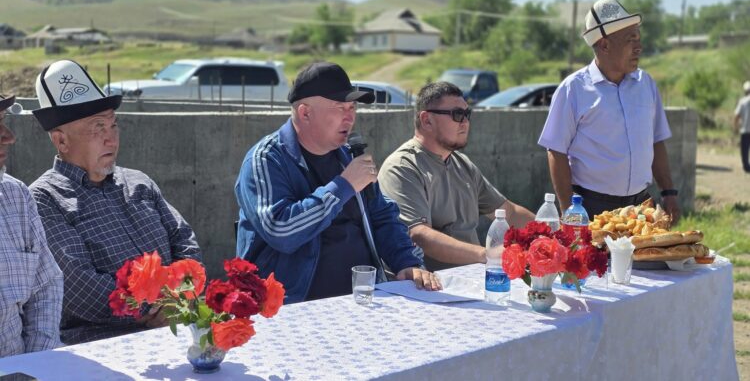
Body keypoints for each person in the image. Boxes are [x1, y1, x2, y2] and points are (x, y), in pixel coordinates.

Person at [235, 61, 441, 303]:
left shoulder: (347, 157)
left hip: (363, 299)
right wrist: (343, 186)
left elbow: (382, 216)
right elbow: (281, 230)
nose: (350, 117)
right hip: (293, 305)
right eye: (339, 108)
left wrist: (406, 262)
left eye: (352, 107)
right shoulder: (265, 160)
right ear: (305, 113)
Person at [29, 60, 202, 345]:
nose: (111, 139)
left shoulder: (138, 182)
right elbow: (79, 287)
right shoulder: (44, 199)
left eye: (113, 125)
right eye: (98, 127)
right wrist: (152, 309)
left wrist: (181, 294)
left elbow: (184, 241)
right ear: (61, 141)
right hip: (104, 345)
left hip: (174, 328)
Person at [538, 0, 681, 221]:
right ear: (604, 45)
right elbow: (556, 151)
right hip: (592, 208)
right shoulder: (573, 89)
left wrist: (668, 192)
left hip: (640, 208)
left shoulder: (646, 84)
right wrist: (569, 214)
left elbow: (656, 140)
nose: (639, 47)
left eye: (639, 39)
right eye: (630, 40)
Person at [378, 81, 536, 270]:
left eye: (467, 114)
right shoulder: (402, 167)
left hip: (473, 276)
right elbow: (419, 235)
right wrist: (487, 255)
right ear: (427, 120)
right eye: (457, 114)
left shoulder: (463, 164)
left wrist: (553, 231)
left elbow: (508, 212)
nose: (465, 122)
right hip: (432, 283)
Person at [0, 94, 64, 357]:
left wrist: (38, 362)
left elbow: (46, 284)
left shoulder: (15, 195)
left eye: (2, 120)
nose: (8, 137)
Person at [734, 81, 750, 173]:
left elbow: (737, 115)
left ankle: (746, 166)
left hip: (745, 129)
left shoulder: (742, 101)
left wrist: (736, 127)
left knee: (744, 150)